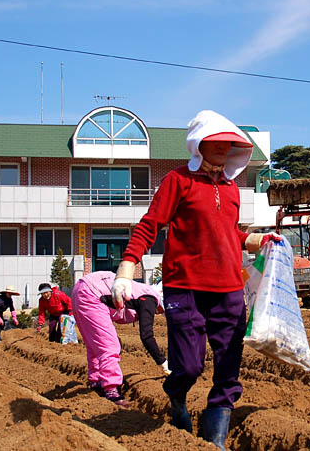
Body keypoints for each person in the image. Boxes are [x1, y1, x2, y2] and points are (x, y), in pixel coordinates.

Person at [111, 110, 281, 450]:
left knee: (228, 370)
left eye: (229, 144)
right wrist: (126, 270)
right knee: (188, 367)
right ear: (199, 144)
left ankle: (213, 441)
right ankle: (177, 395)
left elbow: (230, 234)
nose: (223, 148)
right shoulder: (178, 181)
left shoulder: (232, 188)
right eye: (215, 142)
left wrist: (261, 240)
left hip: (229, 290)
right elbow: (149, 226)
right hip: (184, 286)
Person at [72, 270, 168, 407]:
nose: (158, 313)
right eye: (161, 311)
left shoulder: (141, 290)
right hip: (92, 292)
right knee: (110, 346)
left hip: (81, 290)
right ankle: (111, 389)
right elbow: (147, 336)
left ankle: (96, 381)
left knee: (95, 343)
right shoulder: (149, 299)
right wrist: (164, 363)